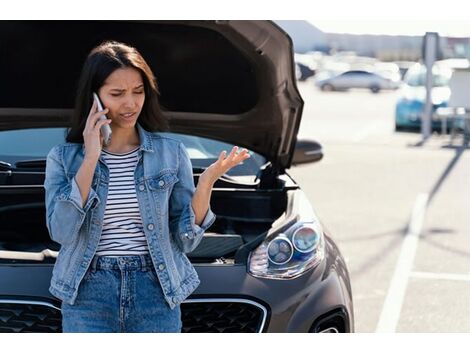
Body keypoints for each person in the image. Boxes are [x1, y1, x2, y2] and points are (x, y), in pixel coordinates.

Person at [44, 40, 250, 333]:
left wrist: (205, 184)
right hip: (88, 292)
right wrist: (91, 157)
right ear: (94, 98)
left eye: (138, 92)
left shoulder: (171, 153)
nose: (130, 104)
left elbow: (187, 240)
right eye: (117, 94)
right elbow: (61, 232)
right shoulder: (63, 159)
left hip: (156, 288)